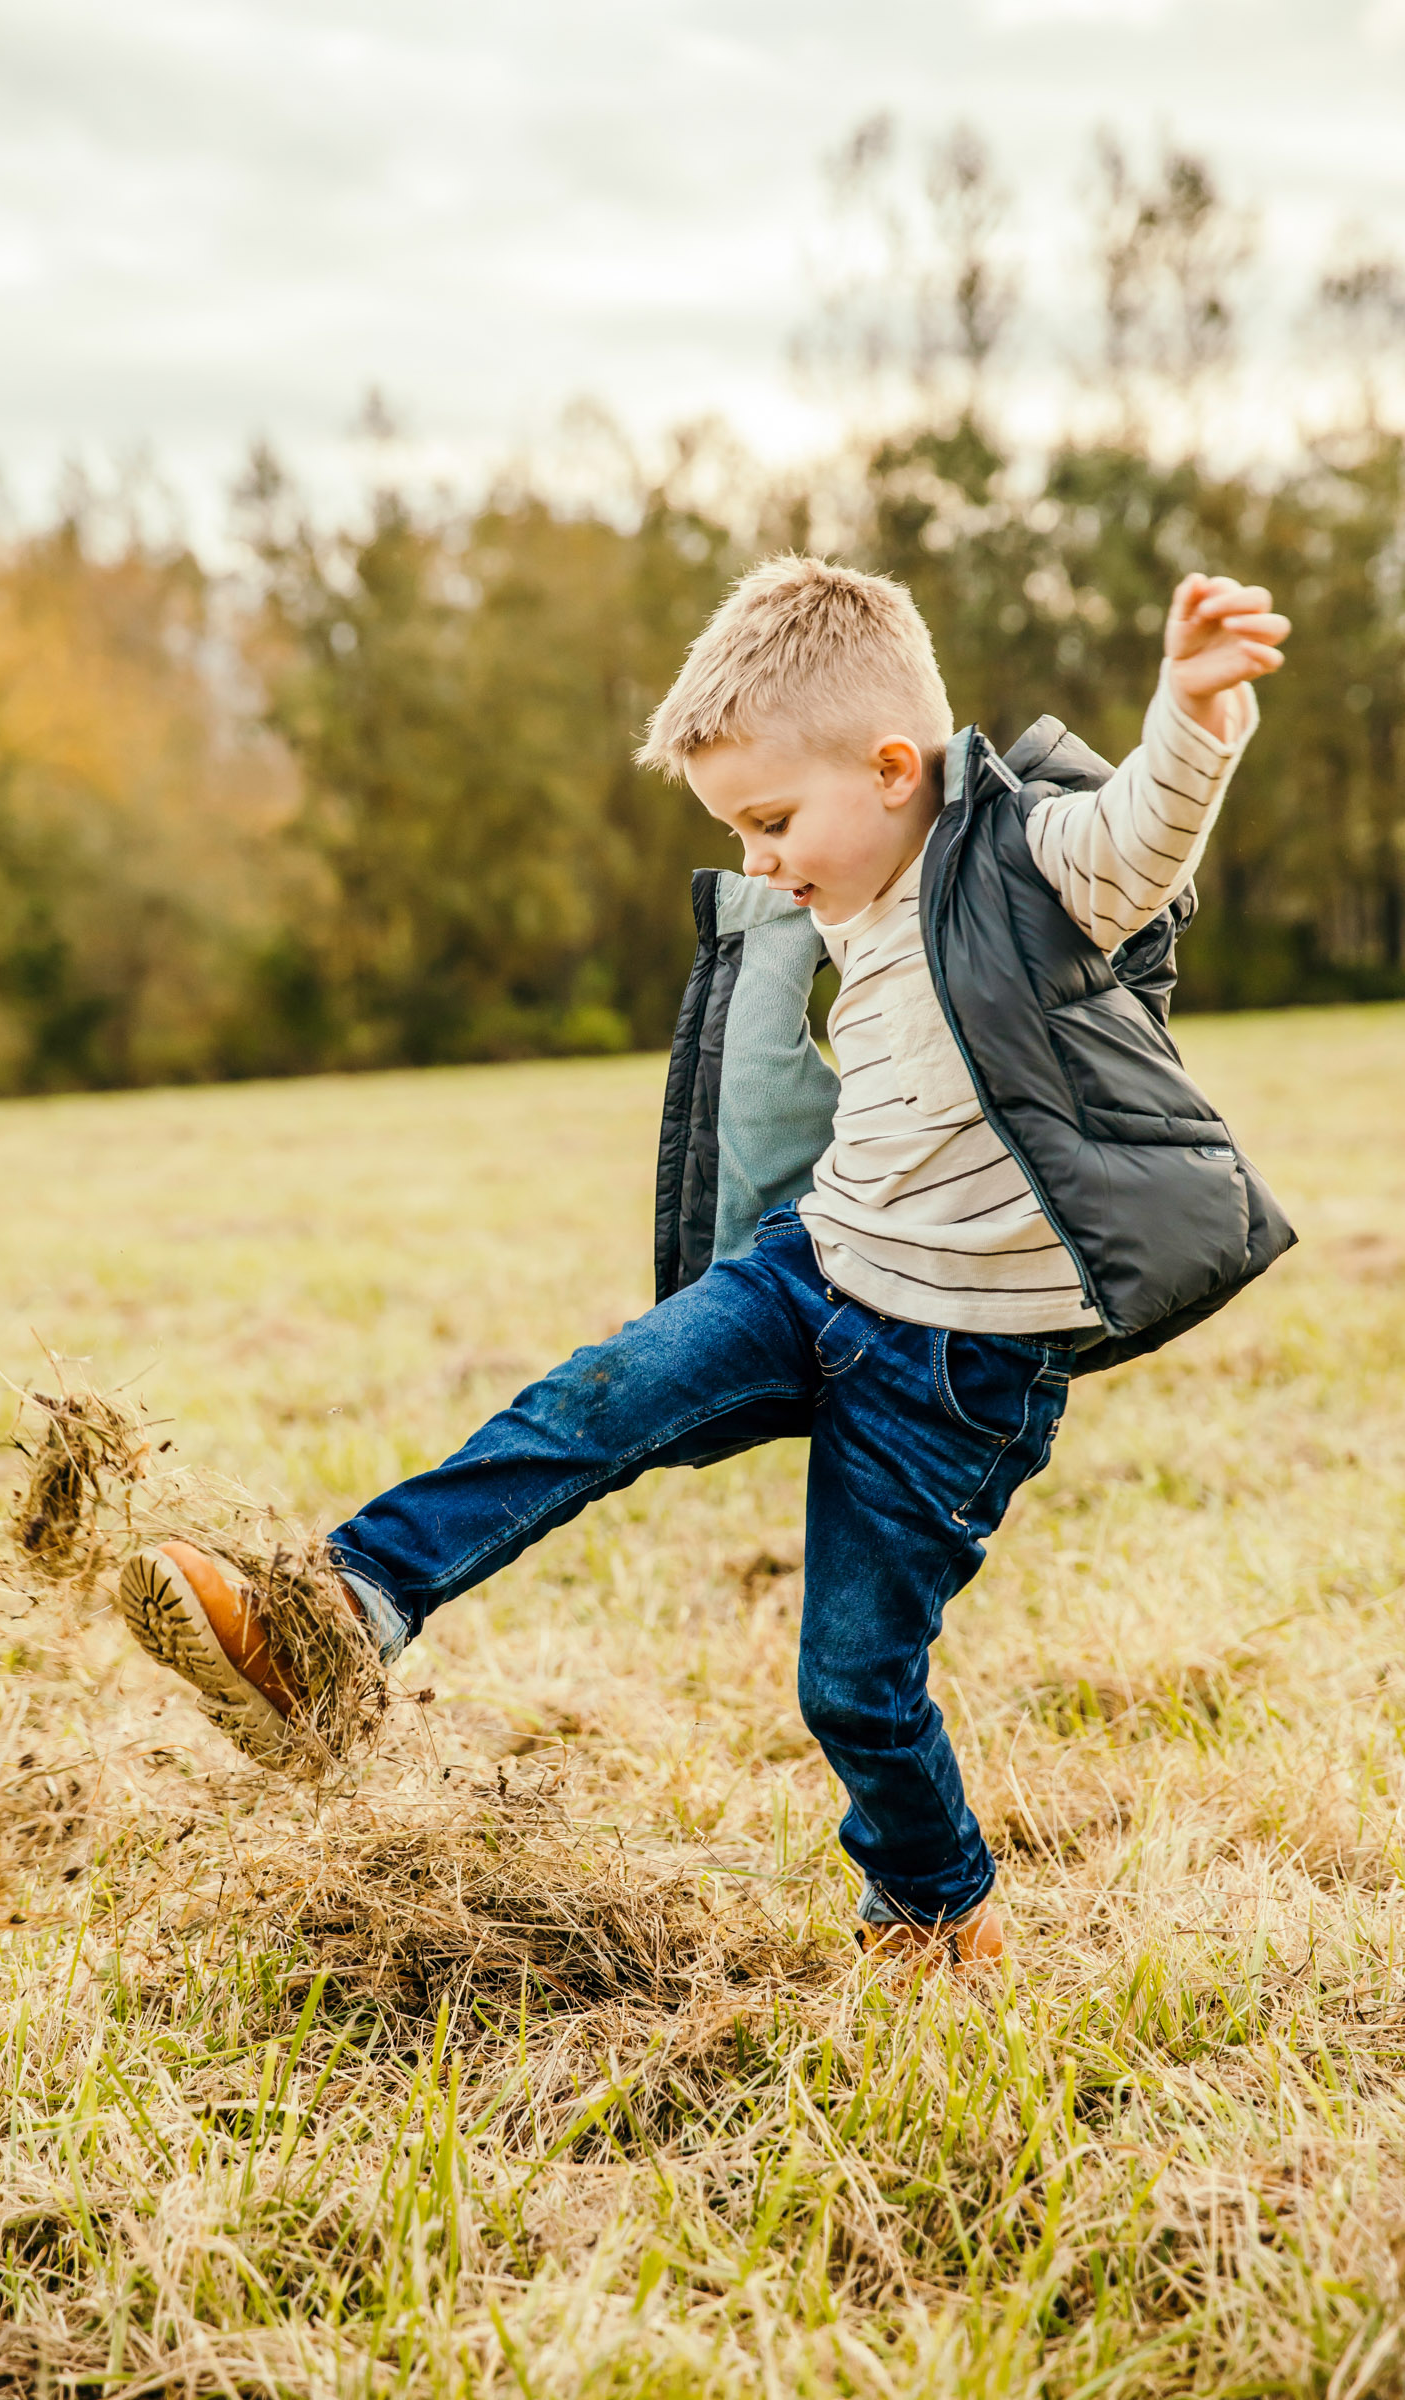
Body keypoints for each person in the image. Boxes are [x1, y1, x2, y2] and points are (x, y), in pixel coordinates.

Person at [117, 557, 1293, 1968]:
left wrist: (1195, 714)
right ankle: (339, 1621)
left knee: (854, 1685)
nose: (759, 861)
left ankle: (931, 1907)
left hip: (956, 1368)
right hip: (815, 1275)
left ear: (895, 766)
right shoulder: (853, 890)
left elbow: (1143, 834)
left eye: (773, 820)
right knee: (591, 1401)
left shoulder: (1031, 868)